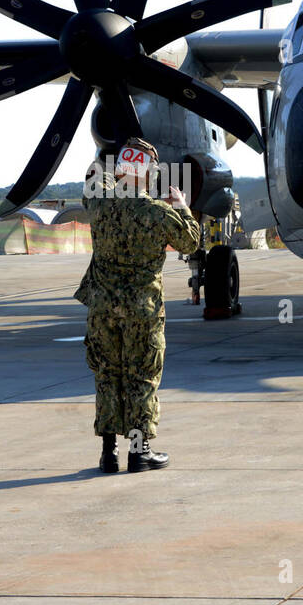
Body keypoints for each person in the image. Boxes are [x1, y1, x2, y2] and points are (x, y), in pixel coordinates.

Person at [76, 139, 201, 473]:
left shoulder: (100, 201)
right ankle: (138, 452)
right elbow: (191, 240)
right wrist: (181, 205)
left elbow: (91, 178)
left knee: (107, 376)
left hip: (102, 309)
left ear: (120, 170)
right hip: (141, 311)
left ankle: (108, 454)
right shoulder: (158, 213)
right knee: (140, 379)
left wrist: (107, 163)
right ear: (151, 174)